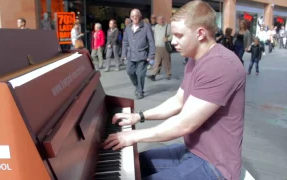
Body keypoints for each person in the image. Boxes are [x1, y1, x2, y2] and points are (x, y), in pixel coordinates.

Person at [102, 1, 246, 180]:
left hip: (214, 165)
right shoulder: (195, 59)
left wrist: (134, 135)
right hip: (191, 150)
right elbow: (178, 101)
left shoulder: (221, 64)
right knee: (136, 164)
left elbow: (185, 124)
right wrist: (139, 116)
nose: (173, 41)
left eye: (178, 35)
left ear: (200, 33)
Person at [122, 9, 155, 99]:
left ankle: (140, 91)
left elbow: (151, 41)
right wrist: (123, 53)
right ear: (130, 17)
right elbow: (125, 41)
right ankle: (137, 86)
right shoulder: (128, 27)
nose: (134, 17)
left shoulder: (146, 26)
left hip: (142, 54)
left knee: (140, 74)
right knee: (130, 71)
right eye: (132, 16)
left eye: (136, 15)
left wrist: (151, 55)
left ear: (140, 16)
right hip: (130, 54)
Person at [148, 15, 173, 81]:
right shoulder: (155, 27)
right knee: (157, 62)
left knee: (166, 62)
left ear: (164, 19)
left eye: (162, 19)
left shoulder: (168, 26)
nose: (161, 21)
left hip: (165, 47)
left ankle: (168, 74)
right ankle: (153, 75)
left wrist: (168, 38)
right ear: (157, 21)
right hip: (157, 47)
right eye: (159, 19)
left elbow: (173, 35)